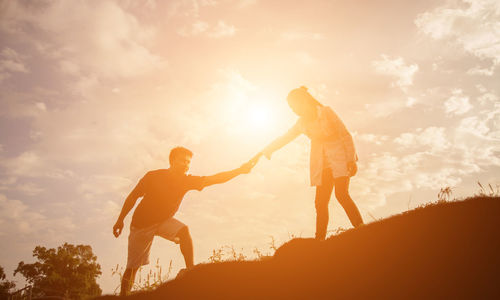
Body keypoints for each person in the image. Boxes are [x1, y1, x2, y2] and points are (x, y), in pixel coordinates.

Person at [112, 146, 258, 296]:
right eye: (182, 161)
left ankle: (190, 272)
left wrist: (239, 171)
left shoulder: (186, 181)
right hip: (141, 224)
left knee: (184, 232)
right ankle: (124, 295)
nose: (186, 165)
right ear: (172, 161)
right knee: (133, 267)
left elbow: (215, 179)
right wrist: (120, 220)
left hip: (163, 221)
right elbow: (133, 196)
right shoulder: (153, 176)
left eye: (188, 162)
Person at [260, 86, 363, 240]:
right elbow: (286, 137)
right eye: (291, 108)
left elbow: (345, 134)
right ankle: (319, 239)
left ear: (303, 101)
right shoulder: (301, 123)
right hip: (321, 164)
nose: (293, 110)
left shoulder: (326, 112)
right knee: (320, 203)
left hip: (340, 159)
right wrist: (270, 149)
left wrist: (351, 159)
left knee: (341, 194)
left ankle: (361, 228)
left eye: (294, 106)